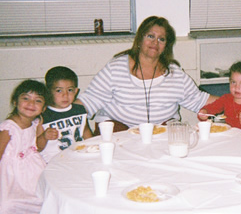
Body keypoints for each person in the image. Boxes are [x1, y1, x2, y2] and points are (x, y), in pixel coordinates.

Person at [75, 16, 217, 133]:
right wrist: (58, 111)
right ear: (140, 39)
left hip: (161, 131)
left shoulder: (175, 74)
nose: (155, 42)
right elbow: (90, 99)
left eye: (161, 39)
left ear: (166, 46)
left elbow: (199, 99)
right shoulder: (116, 68)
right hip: (118, 130)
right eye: (150, 36)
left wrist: (236, 99)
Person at [0, 80, 49, 214]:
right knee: (6, 206)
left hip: (30, 171)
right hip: (8, 175)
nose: (31, 104)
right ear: (15, 102)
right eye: (26, 98)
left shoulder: (36, 123)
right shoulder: (8, 128)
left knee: (45, 196)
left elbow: (37, 146)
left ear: (44, 108)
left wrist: (44, 135)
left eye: (38, 101)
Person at [37, 66, 92, 162]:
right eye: (59, 90)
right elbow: (37, 147)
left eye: (70, 90)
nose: (65, 95)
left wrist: (93, 145)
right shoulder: (42, 115)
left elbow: (85, 131)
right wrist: (44, 136)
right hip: (52, 161)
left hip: (78, 157)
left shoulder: (79, 110)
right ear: (49, 92)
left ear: (76, 91)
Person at [198, 61, 241, 131]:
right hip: (229, 136)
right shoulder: (226, 99)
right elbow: (211, 108)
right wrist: (204, 112)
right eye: (233, 82)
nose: (236, 87)